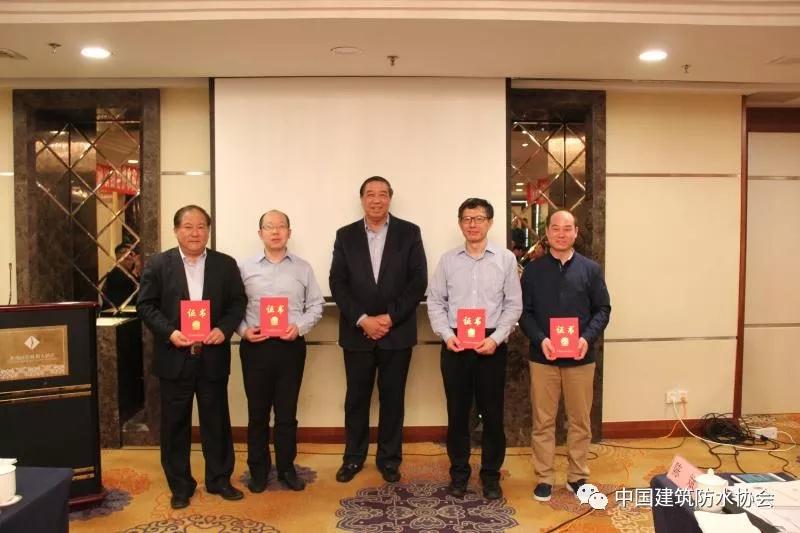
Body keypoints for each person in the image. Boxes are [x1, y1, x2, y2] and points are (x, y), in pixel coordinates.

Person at [137, 205, 247, 510]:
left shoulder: (225, 264)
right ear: (176, 231)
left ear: (208, 231)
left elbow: (238, 302)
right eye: (188, 227)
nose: (195, 233)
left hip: (212, 355)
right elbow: (146, 305)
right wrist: (170, 332)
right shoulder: (158, 264)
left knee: (217, 421)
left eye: (201, 227)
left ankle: (219, 479)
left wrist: (223, 329)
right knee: (175, 426)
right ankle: (180, 485)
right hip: (174, 355)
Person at [329, 176, 427, 484]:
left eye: (382, 194)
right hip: (357, 333)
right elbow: (337, 282)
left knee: (393, 399)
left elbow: (418, 281)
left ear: (390, 198)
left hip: (396, 332)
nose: (376, 199)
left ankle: (389, 459)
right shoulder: (345, 235)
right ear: (362, 199)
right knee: (356, 399)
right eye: (370, 194)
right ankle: (353, 458)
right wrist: (362, 319)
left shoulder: (409, 233)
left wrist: (389, 317)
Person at [427, 197, 522, 500]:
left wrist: (496, 339)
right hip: (455, 344)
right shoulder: (448, 261)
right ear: (460, 224)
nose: (473, 224)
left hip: (491, 344)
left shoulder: (505, 260)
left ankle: (491, 476)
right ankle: (459, 474)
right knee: (457, 415)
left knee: (492, 414)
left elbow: (513, 305)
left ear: (490, 223)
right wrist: (446, 335)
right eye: (467, 219)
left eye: (479, 218)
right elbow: (435, 302)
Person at [519, 209, 611, 502]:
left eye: (567, 228)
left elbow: (603, 309)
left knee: (580, 420)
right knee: (543, 421)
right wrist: (541, 339)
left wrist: (586, 338)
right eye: (555, 228)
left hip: (580, 357)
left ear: (576, 233)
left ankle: (577, 476)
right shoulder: (533, 271)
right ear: (547, 233)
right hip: (543, 356)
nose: (561, 233)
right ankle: (544, 477)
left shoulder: (590, 269)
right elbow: (524, 313)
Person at [237, 210, 324, 493]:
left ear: (289, 232)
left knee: (287, 414)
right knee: (257, 414)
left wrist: (299, 327)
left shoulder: (303, 268)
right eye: (269, 227)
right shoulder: (243, 268)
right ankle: (258, 470)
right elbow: (232, 306)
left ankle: (287, 468)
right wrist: (243, 331)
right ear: (260, 232)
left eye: (281, 226)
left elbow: (316, 305)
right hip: (256, 348)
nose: (275, 231)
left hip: (290, 347)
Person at [101, 243, 141, 309]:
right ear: (117, 256)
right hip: (120, 313)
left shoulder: (130, 275)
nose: (129, 256)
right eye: (126, 253)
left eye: (131, 254)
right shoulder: (117, 275)